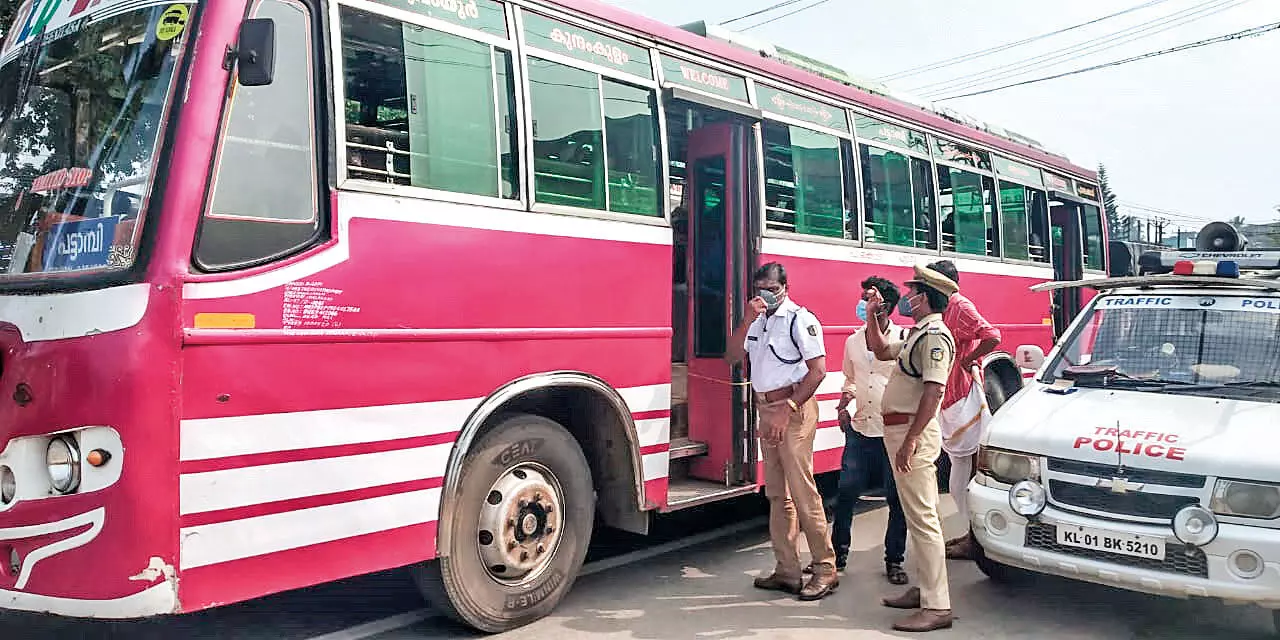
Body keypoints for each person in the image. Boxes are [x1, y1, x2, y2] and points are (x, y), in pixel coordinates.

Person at [726, 262, 838, 601]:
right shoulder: (757, 322)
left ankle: (825, 568)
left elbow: (818, 371)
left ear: (785, 287)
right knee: (777, 493)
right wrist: (746, 319)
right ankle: (787, 570)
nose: (765, 294)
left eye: (771, 288)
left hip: (793, 410)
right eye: (760, 288)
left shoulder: (799, 319)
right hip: (766, 409)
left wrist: (787, 409)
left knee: (803, 491)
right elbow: (732, 356)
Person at [864, 264, 958, 633]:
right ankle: (927, 590)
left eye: (913, 290)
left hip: (910, 435)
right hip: (900, 432)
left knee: (923, 520)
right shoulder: (919, 332)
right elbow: (883, 350)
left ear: (925, 297)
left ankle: (937, 607)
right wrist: (874, 314)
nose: (908, 295)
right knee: (923, 517)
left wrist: (912, 439)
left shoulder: (935, 336)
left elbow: (933, 392)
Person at [831, 276, 909, 586]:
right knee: (847, 492)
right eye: (863, 298)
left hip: (892, 432)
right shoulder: (852, 341)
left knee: (896, 499)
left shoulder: (903, 339)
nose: (863, 304)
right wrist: (842, 403)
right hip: (859, 428)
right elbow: (850, 378)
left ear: (885, 307)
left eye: (870, 299)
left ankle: (894, 560)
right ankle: (837, 555)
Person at [927, 260, 1001, 561]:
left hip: (963, 395)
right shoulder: (942, 308)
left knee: (968, 475)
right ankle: (974, 534)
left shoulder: (960, 305)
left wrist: (968, 359)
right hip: (951, 395)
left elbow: (993, 335)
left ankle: (977, 539)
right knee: (958, 476)